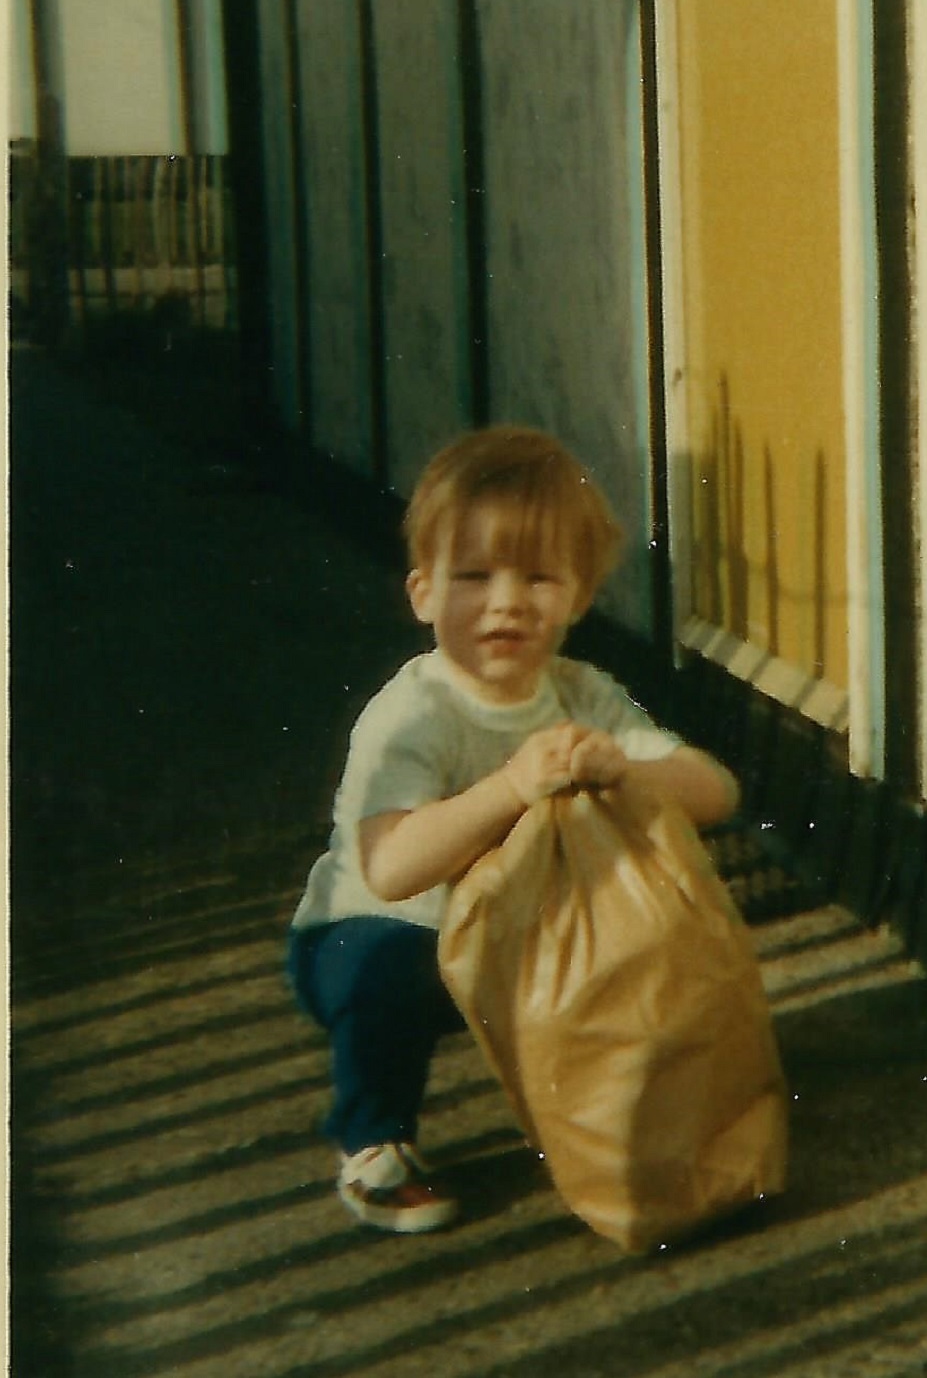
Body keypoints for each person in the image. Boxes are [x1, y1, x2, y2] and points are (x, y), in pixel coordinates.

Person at [286, 425, 741, 1234]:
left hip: (529, 937)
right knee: (379, 969)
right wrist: (508, 788)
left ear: (578, 595)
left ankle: (625, 1117)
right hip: (398, 930)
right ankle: (373, 1140)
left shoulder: (581, 692)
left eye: (537, 577)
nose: (505, 601)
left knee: (646, 951)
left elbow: (716, 791)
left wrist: (623, 767)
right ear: (423, 593)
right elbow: (391, 869)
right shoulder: (413, 714)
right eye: (474, 575)